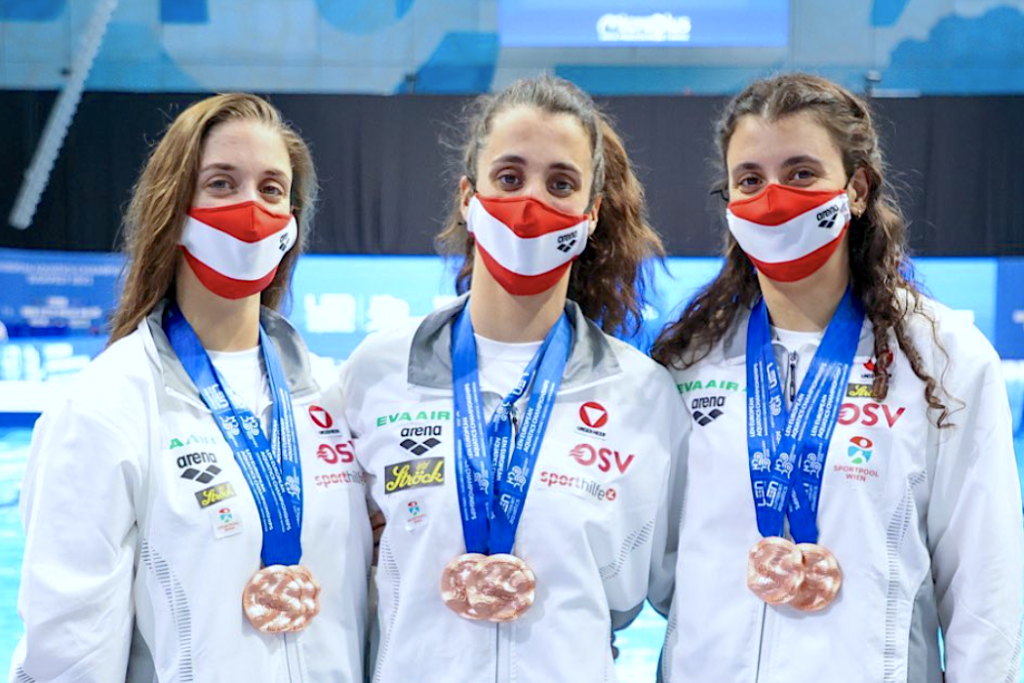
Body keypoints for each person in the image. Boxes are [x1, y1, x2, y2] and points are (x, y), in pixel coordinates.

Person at [650, 72, 1024, 682]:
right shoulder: (691, 358)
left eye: (800, 173)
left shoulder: (944, 356)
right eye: (750, 180)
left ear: (855, 189)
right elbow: (662, 565)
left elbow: (987, 584)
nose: (773, 198)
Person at [10, 93, 372, 682]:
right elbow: (67, 656)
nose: (250, 208)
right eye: (222, 184)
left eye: (272, 189)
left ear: (292, 224)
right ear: (174, 207)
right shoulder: (106, 405)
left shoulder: (331, 397)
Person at [335, 75, 681, 682]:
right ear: (469, 196)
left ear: (592, 214)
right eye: (509, 177)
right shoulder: (375, 372)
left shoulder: (643, 394)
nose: (531, 205)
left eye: (561, 184)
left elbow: (657, 594)